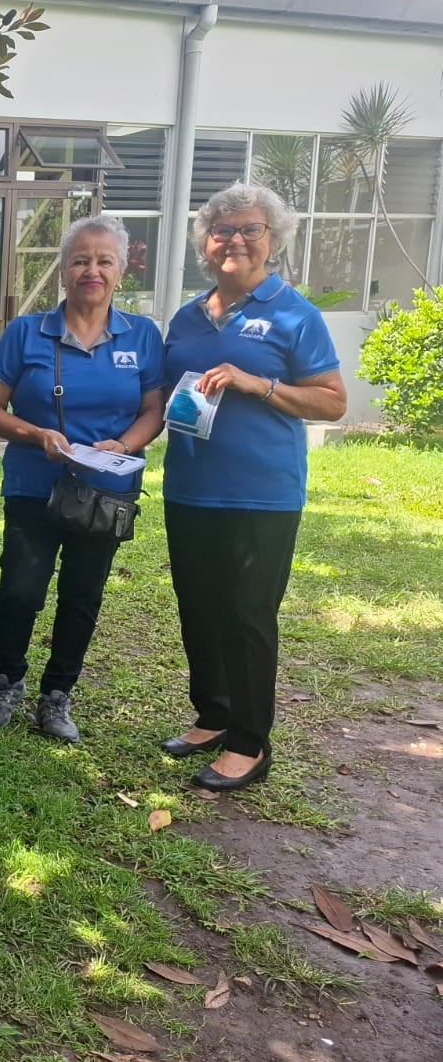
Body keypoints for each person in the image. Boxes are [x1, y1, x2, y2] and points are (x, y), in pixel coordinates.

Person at [159, 183, 346, 791]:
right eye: (223, 231)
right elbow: (164, 395)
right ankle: (213, 715)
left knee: (247, 615)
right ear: (206, 245)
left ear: (273, 241)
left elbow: (332, 402)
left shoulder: (295, 314)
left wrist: (256, 384)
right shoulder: (187, 317)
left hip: (261, 494)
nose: (235, 240)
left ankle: (249, 742)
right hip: (190, 487)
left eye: (250, 230)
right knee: (199, 609)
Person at [0, 215, 167, 742]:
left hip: (105, 493)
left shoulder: (143, 335)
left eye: (105, 260)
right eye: (81, 259)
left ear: (121, 272)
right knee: (19, 591)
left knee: (83, 596)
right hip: (35, 487)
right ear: (64, 270)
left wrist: (124, 445)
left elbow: (155, 411)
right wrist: (36, 434)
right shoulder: (26, 332)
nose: (92, 270)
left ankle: (57, 697)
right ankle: (6, 682)